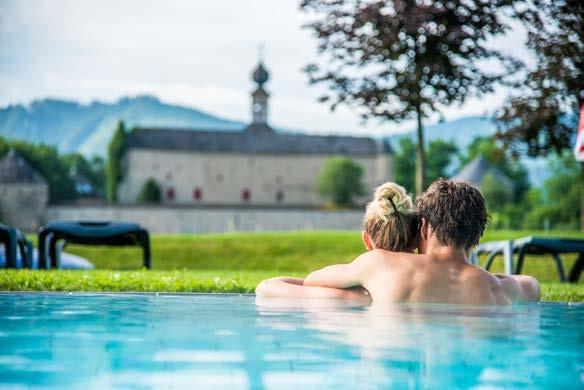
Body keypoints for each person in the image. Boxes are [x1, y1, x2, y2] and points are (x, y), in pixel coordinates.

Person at [256, 179, 540, 305]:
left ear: (425, 226)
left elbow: (282, 287)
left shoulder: (382, 266)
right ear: (477, 236)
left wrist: (359, 297)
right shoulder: (498, 289)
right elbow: (533, 285)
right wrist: (495, 277)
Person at [255, 182, 419, 302]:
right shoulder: (430, 278)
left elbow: (269, 287)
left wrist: (348, 291)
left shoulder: (361, 273)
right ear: (415, 240)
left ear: (367, 240)